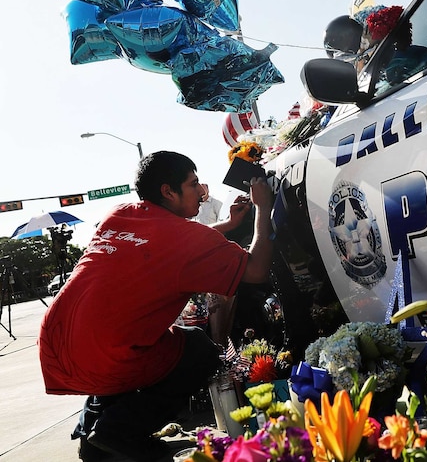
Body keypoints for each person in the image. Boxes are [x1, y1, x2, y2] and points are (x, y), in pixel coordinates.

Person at [38, 151, 274, 461]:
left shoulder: (121, 214)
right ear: (168, 191)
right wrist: (263, 208)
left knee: (148, 342)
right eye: (193, 185)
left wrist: (228, 225)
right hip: (107, 355)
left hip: (59, 346)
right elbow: (256, 270)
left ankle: (94, 437)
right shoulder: (184, 237)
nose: (202, 193)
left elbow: (168, 245)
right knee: (198, 349)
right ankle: (116, 433)